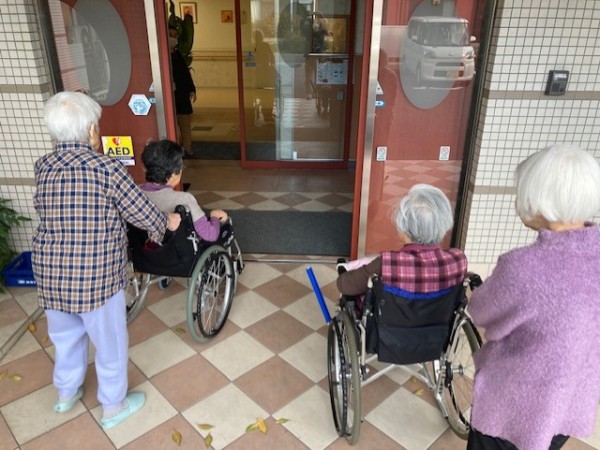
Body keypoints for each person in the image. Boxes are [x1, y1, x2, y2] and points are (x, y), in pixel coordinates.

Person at [32, 91, 181, 430]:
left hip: (51, 273)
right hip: (95, 275)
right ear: (91, 132)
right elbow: (139, 210)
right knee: (110, 343)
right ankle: (113, 406)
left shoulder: (43, 166)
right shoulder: (107, 169)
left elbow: (45, 208)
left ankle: (66, 393)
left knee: (65, 337)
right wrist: (165, 224)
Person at [467, 144, 600, 450]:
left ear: (539, 200)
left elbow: (480, 311)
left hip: (514, 406)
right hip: (569, 402)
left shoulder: (524, 267)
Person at [337, 184, 467, 296]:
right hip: (439, 318)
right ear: (444, 225)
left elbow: (344, 285)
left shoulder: (388, 263)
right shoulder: (458, 259)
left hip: (389, 318)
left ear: (402, 229)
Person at [141, 139, 227, 240]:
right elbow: (210, 235)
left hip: (144, 246)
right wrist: (215, 217)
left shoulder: (135, 194)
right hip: (176, 247)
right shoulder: (184, 199)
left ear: (146, 169)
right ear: (174, 174)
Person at [168, 26, 196, 157]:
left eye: (175, 36)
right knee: (172, 127)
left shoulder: (178, 55)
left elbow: (185, 74)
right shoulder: (162, 56)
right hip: (170, 98)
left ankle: (188, 149)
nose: (173, 38)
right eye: (170, 35)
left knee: (185, 126)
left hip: (182, 97)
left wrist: (191, 90)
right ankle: (174, 154)